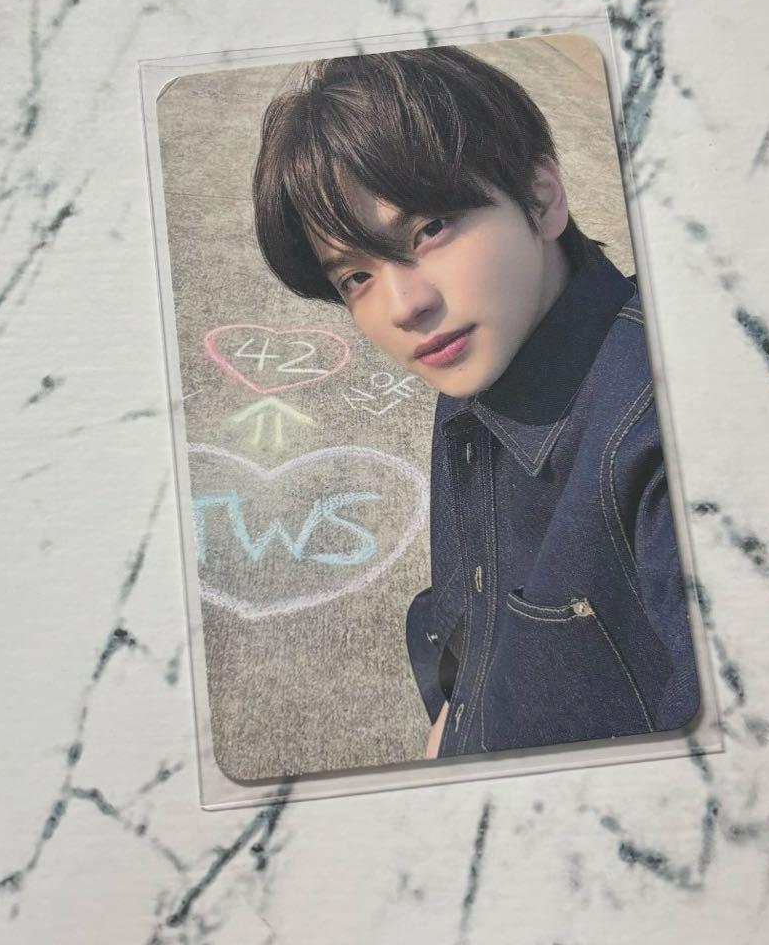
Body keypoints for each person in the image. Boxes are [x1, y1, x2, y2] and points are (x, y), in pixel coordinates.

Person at [251, 43, 700, 759]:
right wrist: (455, 713)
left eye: (429, 229)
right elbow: (474, 608)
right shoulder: (481, 348)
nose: (404, 306)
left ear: (541, 198)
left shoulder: (667, 443)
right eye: (356, 277)